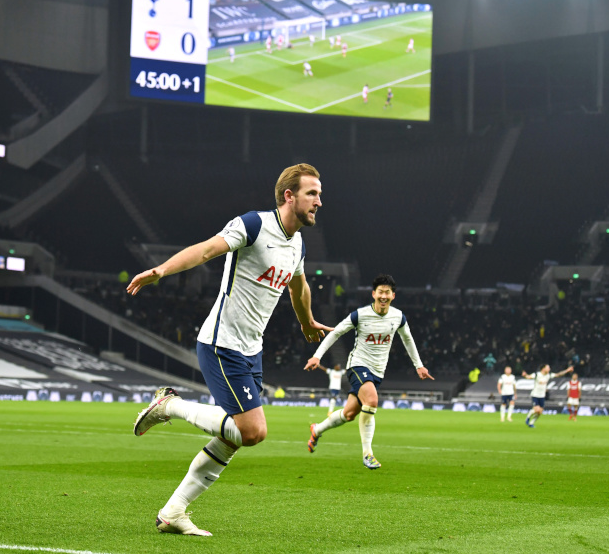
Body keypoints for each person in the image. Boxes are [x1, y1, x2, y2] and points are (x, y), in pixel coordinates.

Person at [129, 164, 332, 536]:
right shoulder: (253, 225)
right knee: (252, 431)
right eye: (312, 193)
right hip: (222, 343)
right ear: (290, 196)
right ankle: (168, 405)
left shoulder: (297, 243)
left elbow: (298, 287)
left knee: (232, 438)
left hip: (251, 350)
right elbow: (206, 250)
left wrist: (306, 320)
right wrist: (160, 271)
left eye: (319, 194)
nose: (320, 201)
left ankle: (174, 511)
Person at [304, 274, 434, 469]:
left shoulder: (398, 317)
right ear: (374, 294)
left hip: (378, 372)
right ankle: (368, 454)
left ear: (393, 296)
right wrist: (317, 356)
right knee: (372, 401)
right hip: (358, 365)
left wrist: (419, 365)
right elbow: (337, 332)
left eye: (387, 293)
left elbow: (408, 339)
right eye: (380, 292)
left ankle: (317, 429)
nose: (383, 296)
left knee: (349, 414)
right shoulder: (360, 315)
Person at [522, 364, 574, 428]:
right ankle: (528, 417)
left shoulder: (548, 375)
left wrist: (567, 370)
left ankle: (531, 423)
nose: (549, 369)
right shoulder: (537, 374)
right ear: (543, 369)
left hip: (542, 396)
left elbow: (558, 374)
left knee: (540, 412)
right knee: (537, 410)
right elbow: (529, 377)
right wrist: (525, 375)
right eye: (548, 367)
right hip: (535, 395)